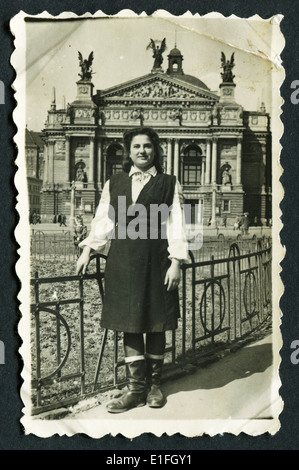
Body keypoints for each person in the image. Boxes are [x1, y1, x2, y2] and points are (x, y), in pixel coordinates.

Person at [76, 127, 189, 414]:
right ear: (129, 152)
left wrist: (176, 262)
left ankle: (153, 387)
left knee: (155, 322)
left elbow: (177, 224)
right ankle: (134, 390)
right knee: (130, 323)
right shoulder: (114, 182)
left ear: (155, 150)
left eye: (147, 146)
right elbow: (103, 220)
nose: (142, 151)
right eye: (136, 146)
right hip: (124, 262)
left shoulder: (168, 183)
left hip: (157, 263)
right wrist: (89, 250)